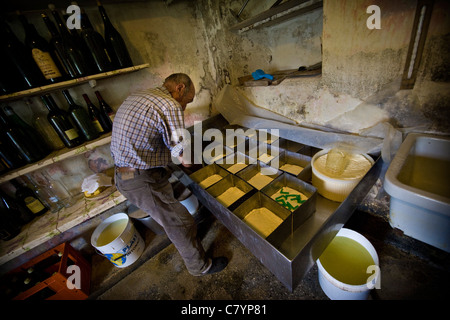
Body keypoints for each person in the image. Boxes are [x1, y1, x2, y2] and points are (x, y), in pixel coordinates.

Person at [110, 73, 227, 276]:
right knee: (179, 222)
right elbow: (185, 157)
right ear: (180, 88)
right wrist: (205, 170)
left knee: (178, 215)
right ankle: (200, 267)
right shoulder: (169, 104)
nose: (184, 108)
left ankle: (190, 237)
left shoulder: (142, 96)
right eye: (187, 101)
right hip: (140, 179)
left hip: (127, 172)